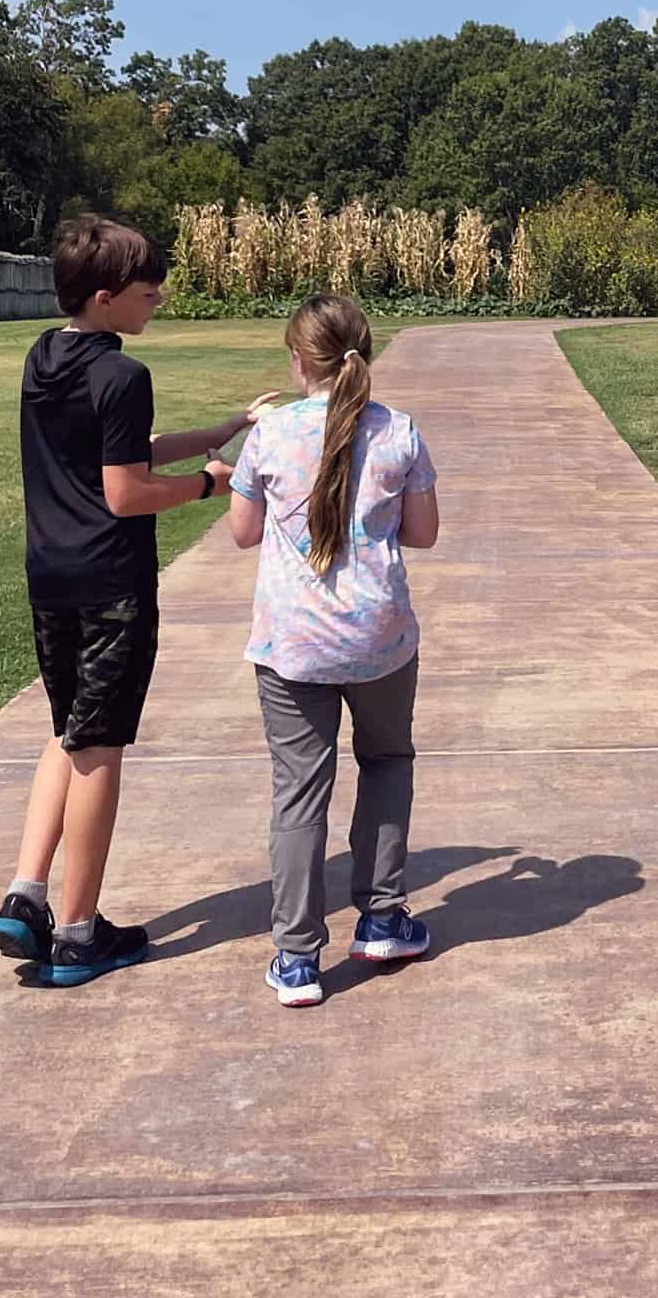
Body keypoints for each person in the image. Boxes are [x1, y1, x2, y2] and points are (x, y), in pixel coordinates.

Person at [0, 214, 277, 988]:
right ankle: (80, 933)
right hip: (110, 583)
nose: (159, 301)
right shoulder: (122, 376)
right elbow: (126, 490)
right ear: (109, 298)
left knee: (67, 731)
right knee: (101, 750)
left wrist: (221, 430)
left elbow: (117, 449)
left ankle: (27, 895)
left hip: (49, 574)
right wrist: (207, 487)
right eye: (149, 293)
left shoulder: (44, 357)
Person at [228, 293, 440, 1008]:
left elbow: (242, 532)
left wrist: (248, 444)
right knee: (385, 762)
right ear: (364, 354)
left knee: (298, 793)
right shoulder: (399, 432)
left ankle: (296, 958)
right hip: (378, 636)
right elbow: (422, 534)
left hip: (293, 644)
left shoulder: (273, 434)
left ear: (298, 360)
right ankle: (382, 916)